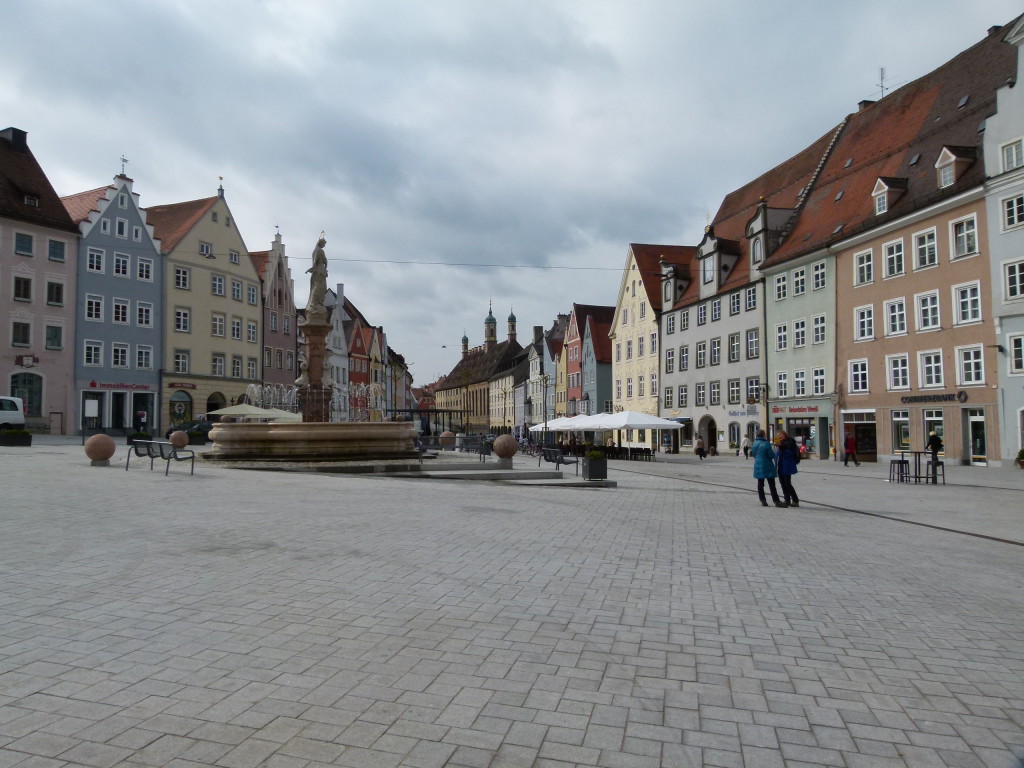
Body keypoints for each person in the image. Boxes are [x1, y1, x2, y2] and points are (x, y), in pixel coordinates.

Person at [752, 430, 787, 507]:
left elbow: (753, 454)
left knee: (760, 483)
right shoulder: (766, 444)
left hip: (757, 464)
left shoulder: (754, 444)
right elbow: (771, 455)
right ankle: (776, 501)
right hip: (767, 464)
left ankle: (763, 500)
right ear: (763, 435)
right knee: (771, 484)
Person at [775, 430, 800, 508]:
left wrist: (780, 446)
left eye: (780, 435)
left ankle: (794, 500)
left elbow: (789, 452)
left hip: (787, 465)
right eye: (778, 435)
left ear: (784, 435)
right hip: (781, 465)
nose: (779, 436)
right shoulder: (780, 443)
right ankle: (788, 500)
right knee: (783, 483)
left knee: (787, 483)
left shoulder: (790, 442)